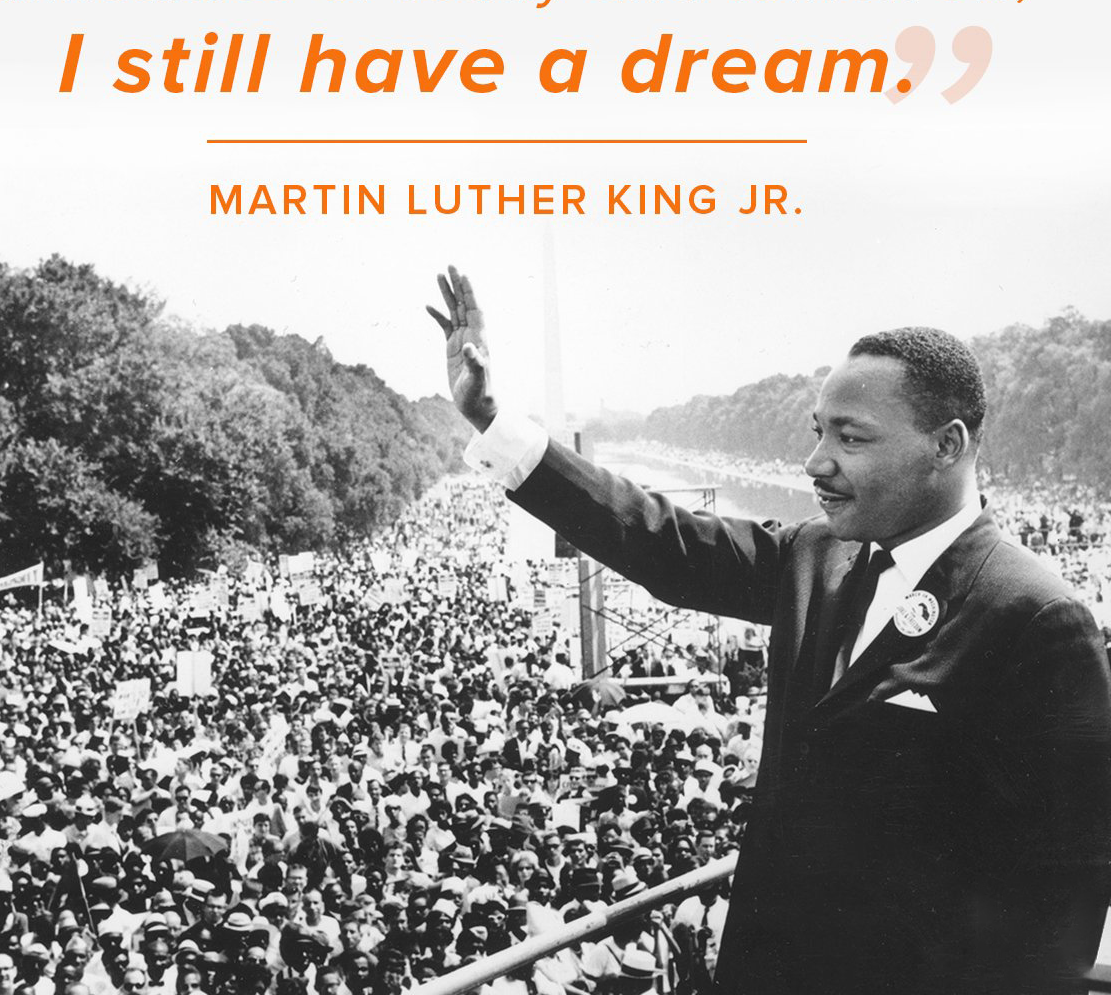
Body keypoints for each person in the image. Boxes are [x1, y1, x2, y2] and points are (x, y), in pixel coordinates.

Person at [428, 266, 1111, 995]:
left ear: (946, 446)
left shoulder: (1037, 619)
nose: (816, 463)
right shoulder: (814, 554)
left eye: (851, 438)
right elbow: (659, 540)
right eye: (819, 432)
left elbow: (1054, 922)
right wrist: (493, 422)